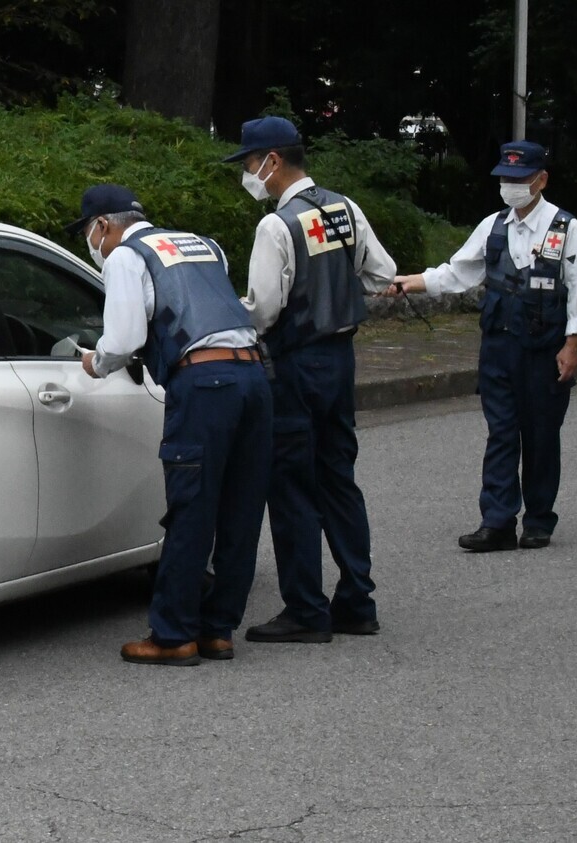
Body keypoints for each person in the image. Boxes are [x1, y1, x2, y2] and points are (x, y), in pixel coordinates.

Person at [66, 184, 273, 665]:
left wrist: (94, 363)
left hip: (204, 384)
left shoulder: (124, 256)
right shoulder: (204, 244)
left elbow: (125, 337)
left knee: (192, 508)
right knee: (240, 508)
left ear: (103, 226)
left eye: (88, 234)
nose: (92, 245)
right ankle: (218, 630)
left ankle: (173, 635)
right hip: (254, 377)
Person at [222, 116, 397, 644]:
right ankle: (357, 602)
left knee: (293, 486)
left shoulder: (276, 226)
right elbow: (382, 273)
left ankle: (305, 609)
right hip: (340, 359)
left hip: (293, 365)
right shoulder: (342, 207)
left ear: (271, 161)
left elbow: (262, 310)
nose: (249, 173)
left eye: (250, 164)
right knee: (338, 477)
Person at [386, 140, 577, 551]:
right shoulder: (493, 227)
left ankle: (537, 519)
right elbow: (456, 273)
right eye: (505, 178)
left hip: (544, 351)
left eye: (518, 179)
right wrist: (411, 281)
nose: (510, 186)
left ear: (541, 180)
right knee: (500, 433)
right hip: (498, 349)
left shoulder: (564, 229)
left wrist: (573, 345)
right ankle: (497, 522)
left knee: (540, 435)